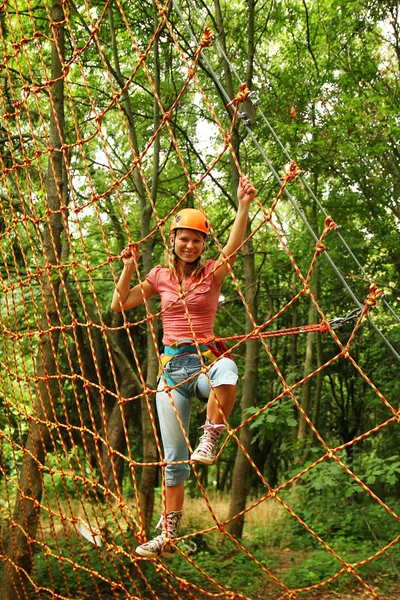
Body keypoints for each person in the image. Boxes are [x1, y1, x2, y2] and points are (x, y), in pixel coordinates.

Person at [111, 176, 256, 558]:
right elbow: (119, 303)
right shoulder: (159, 277)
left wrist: (242, 206)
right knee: (173, 460)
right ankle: (168, 534)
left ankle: (211, 436)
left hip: (203, 364)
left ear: (204, 245)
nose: (190, 245)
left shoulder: (212, 272)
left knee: (227, 370)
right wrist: (128, 266)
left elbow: (234, 246)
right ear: (172, 241)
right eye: (184, 238)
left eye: (197, 240)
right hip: (171, 374)